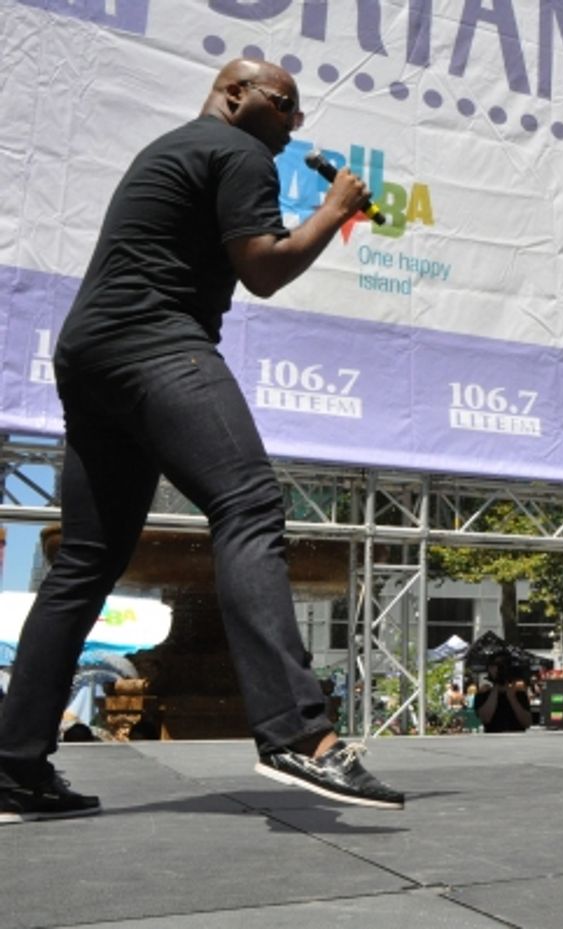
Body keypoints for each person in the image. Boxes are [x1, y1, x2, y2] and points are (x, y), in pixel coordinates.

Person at [0, 59, 403, 824]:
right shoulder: (238, 151)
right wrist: (335, 208)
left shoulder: (172, 147)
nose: (294, 123)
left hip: (89, 354)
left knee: (84, 560)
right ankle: (298, 734)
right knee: (248, 504)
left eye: (298, 112)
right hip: (157, 342)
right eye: (285, 104)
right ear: (234, 94)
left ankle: (15, 767)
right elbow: (264, 269)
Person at [474, 662, 532, 733]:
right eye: (495, 665)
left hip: (516, 736)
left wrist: (511, 696)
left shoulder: (519, 695)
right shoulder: (483, 694)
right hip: (493, 737)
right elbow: (485, 719)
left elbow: (527, 723)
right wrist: (495, 690)